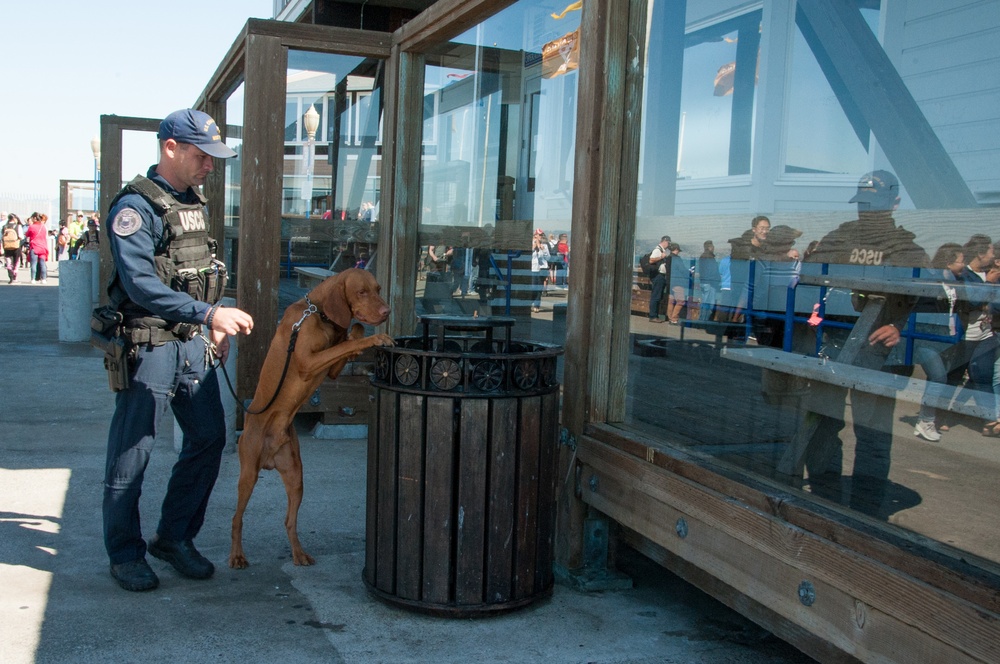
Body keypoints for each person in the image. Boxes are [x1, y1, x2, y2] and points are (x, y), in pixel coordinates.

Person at [102, 109, 254, 592]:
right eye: (201, 156)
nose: (210, 166)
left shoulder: (192, 203)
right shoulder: (135, 208)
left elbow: (198, 270)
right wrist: (209, 315)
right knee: (133, 452)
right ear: (170, 148)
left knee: (209, 438)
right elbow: (142, 286)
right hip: (148, 347)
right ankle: (125, 554)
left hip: (191, 344)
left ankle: (173, 537)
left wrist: (212, 324)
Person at [797, 170, 930, 517]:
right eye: (864, 202)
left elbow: (934, 303)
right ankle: (825, 504)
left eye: (877, 203)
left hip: (879, 353)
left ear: (895, 203)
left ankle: (868, 515)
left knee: (872, 434)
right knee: (822, 424)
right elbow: (808, 280)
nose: (868, 210)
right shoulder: (838, 238)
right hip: (834, 343)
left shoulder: (907, 250)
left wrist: (904, 327)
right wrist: (813, 317)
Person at [911, 243, 965, 442]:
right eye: (961, 260)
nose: (964, 265)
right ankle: (925, 421)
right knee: (938, 377)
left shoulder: (957, 283)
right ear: (948, 262)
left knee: (939, 378)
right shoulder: (932, 283)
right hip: (926, 339)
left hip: (946, 338)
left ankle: (927, 419)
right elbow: (921, 310)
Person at [646, 235, 671, 323]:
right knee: (656, 296)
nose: (668, 245)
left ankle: (654, 315)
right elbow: (651, 260)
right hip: (658, 276)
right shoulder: (658, 250)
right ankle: (652, 316)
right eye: (668, 243)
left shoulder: (661, 250)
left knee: (657, 296)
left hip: (660, 276)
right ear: (664, 241)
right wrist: (662, 257)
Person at [697, 240, 720, 321]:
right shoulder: (710, 257)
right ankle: (704, 321)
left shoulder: (702, 256)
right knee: (709, 304)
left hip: (703, 282)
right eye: (712, 246)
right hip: (710, 283)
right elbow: (713, 271)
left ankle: (701, 320)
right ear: (710, 247)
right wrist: (717, 279)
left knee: (704, 303)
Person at [24, 212, 49, 283]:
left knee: (33, 263)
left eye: (32, 218)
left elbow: (27, 234)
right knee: (42, 263)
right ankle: (43, 279)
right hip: (43, 247)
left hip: (34, 247)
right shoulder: (43, 227)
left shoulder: (32, 226)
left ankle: (33, 279)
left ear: (35, 218)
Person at [666, 243, 689, 324]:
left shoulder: (668, 258)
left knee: (671, 301)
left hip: (669, 282)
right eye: (678, 250)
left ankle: (669, 318)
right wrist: (690, 273)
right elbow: (683, 270)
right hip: (677, 282)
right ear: (676, 250)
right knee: (681, 301)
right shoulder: (677, 259)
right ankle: (674, 319)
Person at [530, 228, 550, 313]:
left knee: (539, 288)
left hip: (541, 269)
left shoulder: (544, 246)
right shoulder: (531, 244)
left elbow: (548, 257)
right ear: (535, 235)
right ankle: (531, 302)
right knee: (533, 288)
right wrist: (533, 247)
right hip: (533, 269)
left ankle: (537, 306)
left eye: (542, 235)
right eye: (539, 235)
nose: (541, 237)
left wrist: (542, 249)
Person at [3, 213, 23, 284]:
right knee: (16, 262)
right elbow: (21, 236)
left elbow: (2, 237)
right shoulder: (18, 226)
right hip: (16, 246)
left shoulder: (5, 227)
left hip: (7, 246)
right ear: (14, 219)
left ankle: (10, 276)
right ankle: (14, 277)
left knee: (8, 262)